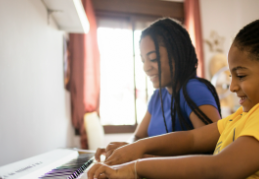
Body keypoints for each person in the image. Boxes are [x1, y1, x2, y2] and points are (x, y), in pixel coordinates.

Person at [88, 16, 259, 179]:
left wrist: (136, 167)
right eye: (232, 76)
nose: (232, 86)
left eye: (241, 75)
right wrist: (137, 148)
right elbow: (191, 138)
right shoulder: (243, 116)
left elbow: (220, 167)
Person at [95, 18, 222, 161]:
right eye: (143, 60)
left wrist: (144, 155)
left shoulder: (194, 89)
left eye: (153, 58)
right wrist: (127, 148)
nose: (145, 67)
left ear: (177, 54)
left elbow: (213, 147)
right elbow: (137, 137)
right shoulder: (158, 96)